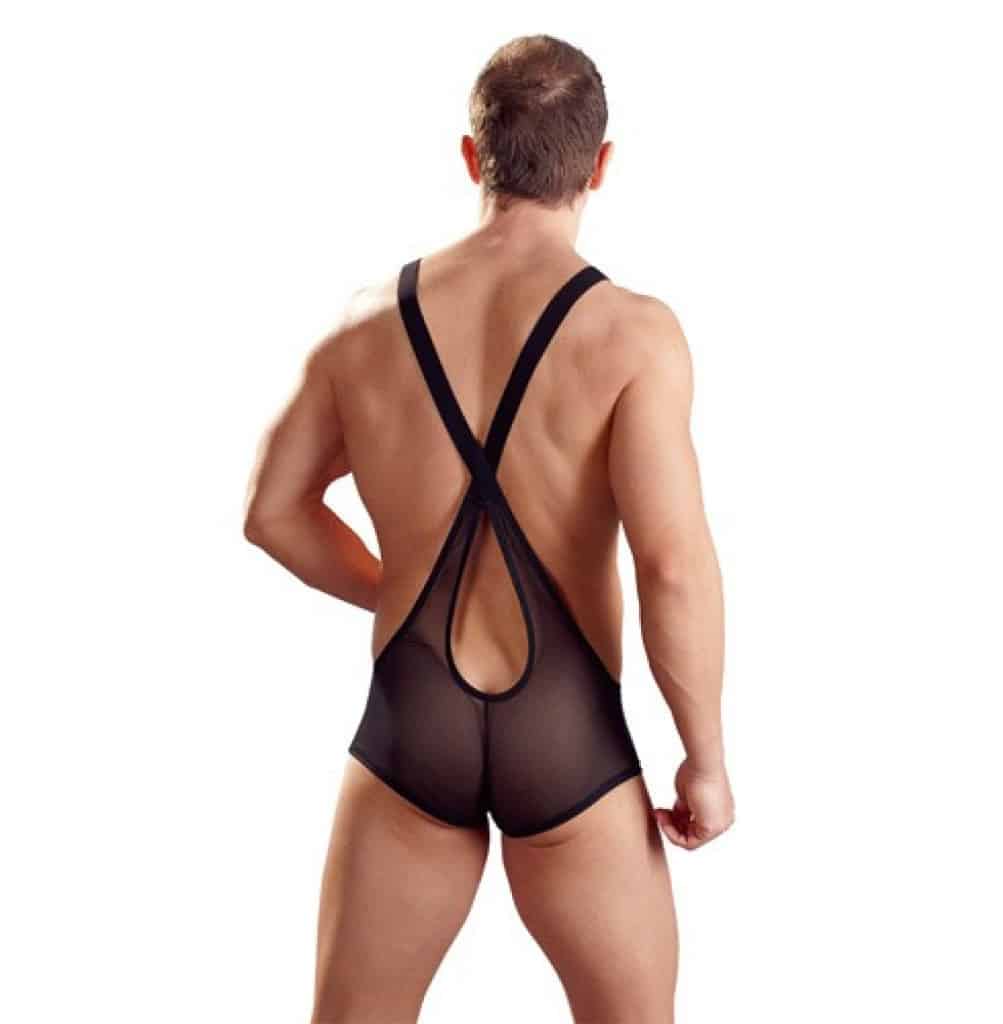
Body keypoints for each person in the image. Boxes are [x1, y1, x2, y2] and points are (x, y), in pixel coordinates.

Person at [243, 32, 734, 1024]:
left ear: (473, 158)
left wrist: (397, 587)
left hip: (411, 709)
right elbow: (672, 568)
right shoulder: (633, 336)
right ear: (601, 165)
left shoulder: (364, 326)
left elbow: (274, 512)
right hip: (568, 730)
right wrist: (705, 760)